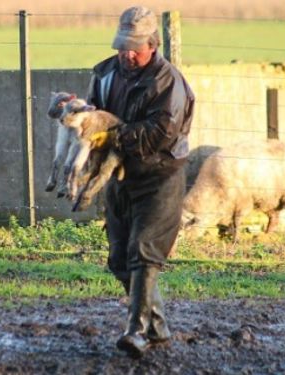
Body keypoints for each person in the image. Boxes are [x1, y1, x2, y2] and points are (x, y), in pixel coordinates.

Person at [86, 5, 195, 358]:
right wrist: (79, 114)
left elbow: (158, 135)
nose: (126, 54)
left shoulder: (169, 83)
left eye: (134, 47)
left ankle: (135, 331)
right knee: (119, 260)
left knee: (144, 252)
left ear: (153, 44)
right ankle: (157, 325)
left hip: (159, 176)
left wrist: (112, 134)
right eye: (121, 46)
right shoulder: (104, 75)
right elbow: (92, 114)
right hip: (120, 177)